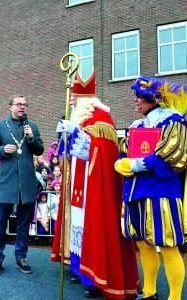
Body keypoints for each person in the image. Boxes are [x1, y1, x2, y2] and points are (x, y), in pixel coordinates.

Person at [52, 69, 139, 299]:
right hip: (77, 184)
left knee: (93, 227)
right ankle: (79, 268)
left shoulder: (102, 118)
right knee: (77, 227)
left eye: (74, 98)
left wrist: (78, 133)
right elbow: (67, 155)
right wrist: (65, 135)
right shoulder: (77, 117)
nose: (71, 100)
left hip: (94, 186)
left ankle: (94, 277)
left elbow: (103, 152)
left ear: (84, 99)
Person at [115, 76, 187, 300]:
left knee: (167, 245)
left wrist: (135, 164)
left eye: (139, 96)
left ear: (154, 98)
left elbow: (173, 157)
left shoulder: (173, 121)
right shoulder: (137, 125)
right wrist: (120, 161)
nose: (136, 101)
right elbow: (125, 152)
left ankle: (174, 296)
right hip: (135, 192)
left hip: (161, 194)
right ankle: (149, 291)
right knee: (143, 245)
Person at [0, 94, 44, 276]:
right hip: (6, 182)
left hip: (26, 182)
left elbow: (39, 149)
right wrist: (2, 150)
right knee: (0, 223)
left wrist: (31, 137)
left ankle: (21, 256)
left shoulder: (32, 126)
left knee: (23, 224)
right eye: (19, 104)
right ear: (10, 106)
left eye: (24, 104)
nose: (22, 107)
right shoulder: (0, 126)